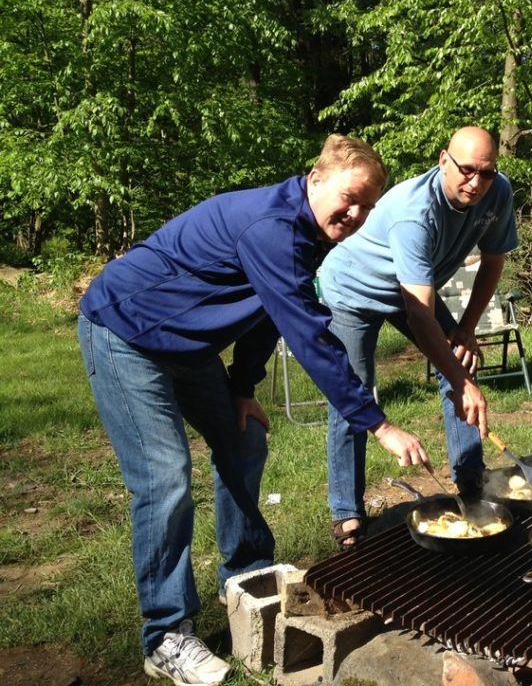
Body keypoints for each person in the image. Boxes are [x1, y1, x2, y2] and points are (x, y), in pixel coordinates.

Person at [78, 134, 428, 686]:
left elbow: (266, 313)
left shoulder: (306, 231)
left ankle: (244, 576)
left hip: (187, 346)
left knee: (245, 439)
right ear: (315, 179)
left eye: (368, 205)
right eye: (349, 198)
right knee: (165, 477)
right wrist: (376, 422)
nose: (356, 214)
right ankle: (165, 635)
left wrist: (242, 389)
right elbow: (310, 335)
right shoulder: (271, 227)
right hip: (127, 330)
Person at [317, 125, 518, 548]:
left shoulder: (497, 191)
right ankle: (346, 512)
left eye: (486, 172)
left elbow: (493, 262)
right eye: (467, 170)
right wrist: (460, 380)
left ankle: (470, 478)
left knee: (460, 363)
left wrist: (465, 330)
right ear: (444, 160)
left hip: (413, 289)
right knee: (353, 389)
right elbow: (418, 312)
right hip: (355, 289)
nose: (476, 182)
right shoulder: (416, 212)